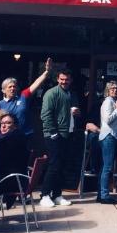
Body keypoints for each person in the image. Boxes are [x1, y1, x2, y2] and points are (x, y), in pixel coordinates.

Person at [40, 69, 80, 207]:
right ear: (57, 79)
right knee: (54, 164)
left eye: (67, 79)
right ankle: (44, 195)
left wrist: (76, 113)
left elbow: (73, 112)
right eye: (62, 79)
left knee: (61, 165)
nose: (64, 81)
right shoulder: (51, 93)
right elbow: (45, 115)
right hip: (54, 134)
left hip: (67, 133)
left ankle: (57, 195)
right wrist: (53, 132)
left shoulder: (71, 94)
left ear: (71, 80)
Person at [0, 57, 53, 137]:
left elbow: (36, 84)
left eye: (14, 86)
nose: (12, 88)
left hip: (26, 136)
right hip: (7, 137)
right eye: (10, 87)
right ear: (3, 90)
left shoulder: (23, 96)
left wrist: (47, 72)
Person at [95, 79, 117, 204]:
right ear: (107, 90)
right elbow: (107, 120)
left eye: (116, 88)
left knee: (104, 167)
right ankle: (104, 195)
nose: (115, 90)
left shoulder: (112, 101)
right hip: (109, 136)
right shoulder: (108, 102)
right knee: (107, 167)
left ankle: (101, 194)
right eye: (112, 88)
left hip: (111, 136)